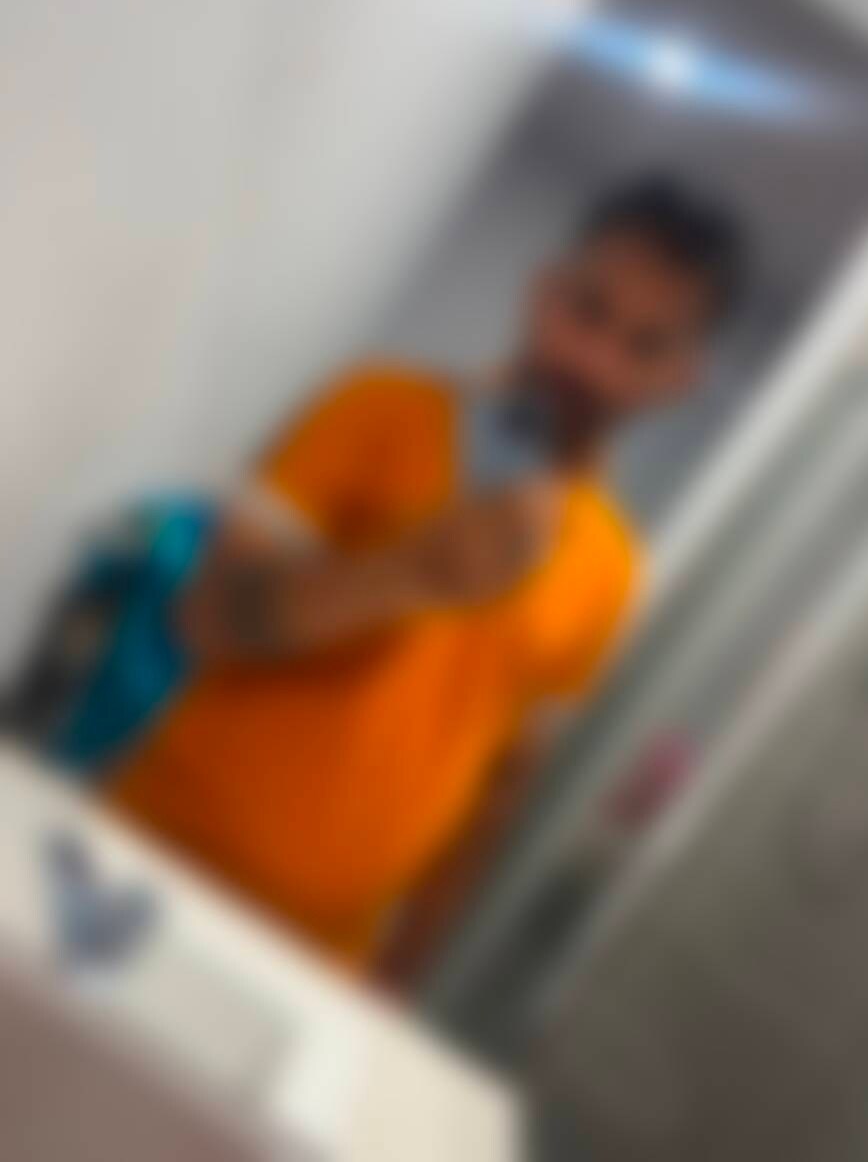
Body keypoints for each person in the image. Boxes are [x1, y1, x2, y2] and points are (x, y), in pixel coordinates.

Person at [100, 176, 744, 973]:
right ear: (544, 290)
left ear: (678, 379)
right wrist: (411, 572)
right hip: (148, 859)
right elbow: (206, 618)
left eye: (644, 346)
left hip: (327, 954)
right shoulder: (376, 409)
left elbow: (499, 798)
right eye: (587, 309)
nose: (593, 359)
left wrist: (399, 977)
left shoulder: (613, 571)